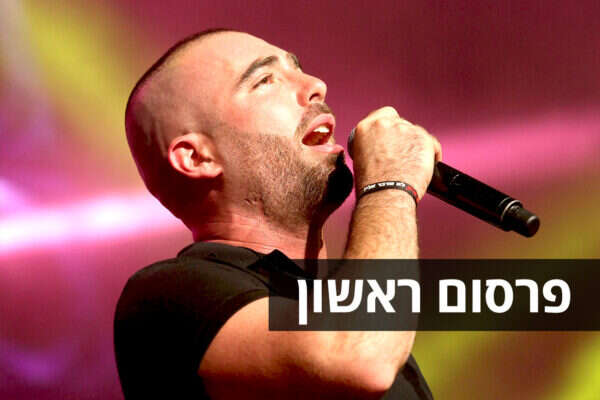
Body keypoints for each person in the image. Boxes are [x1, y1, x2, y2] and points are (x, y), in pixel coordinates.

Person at [114, 28, 441, 399]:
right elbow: (357, 355)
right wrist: (389, 182)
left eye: (297, 67)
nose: (316, 85)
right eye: (265, 80)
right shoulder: (168, 295)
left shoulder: (354, 304)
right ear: (196, 157)